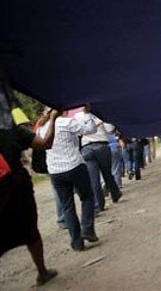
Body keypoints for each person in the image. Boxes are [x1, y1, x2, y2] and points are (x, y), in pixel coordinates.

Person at [0, 76, 59, 285]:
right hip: (16, 186)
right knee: (30, 230)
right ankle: (42, 271)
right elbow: (45, 143)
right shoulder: (12, 131)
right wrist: (53, 119)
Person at [44, 109, 99, 251]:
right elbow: (90, 129)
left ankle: (76, 242)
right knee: (87, 196)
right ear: (63, 110)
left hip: (55, 171)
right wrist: (88, 114)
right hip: (74, 165)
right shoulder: (67, 122)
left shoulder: (43, 128)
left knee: (67, 205)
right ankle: (87, 229)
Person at [74, 107, 121, 213]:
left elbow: (77, 132)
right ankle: (115, 194)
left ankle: (98, 204)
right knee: (107, 173)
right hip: (101, 145)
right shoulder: (101, 115)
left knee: (93, 178)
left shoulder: (77, 116)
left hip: (86, 148)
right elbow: (110, 129)